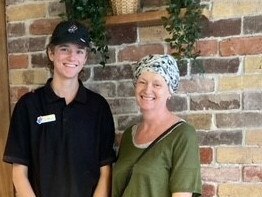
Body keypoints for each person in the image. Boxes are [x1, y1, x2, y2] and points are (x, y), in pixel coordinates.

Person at [3, 20, 116, 197]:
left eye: (79, 51)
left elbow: (105, 172)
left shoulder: (98, 108)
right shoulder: (28, 106)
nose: (72, 57)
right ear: (51, 53)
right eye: (64, 49)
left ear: (85, 58)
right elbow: (19, 173)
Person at [112, 54, 202, 197]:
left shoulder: (183, 135)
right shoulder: (129, 135)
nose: (147, 90)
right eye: (142, 82)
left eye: (157, 84)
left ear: (170, 91)